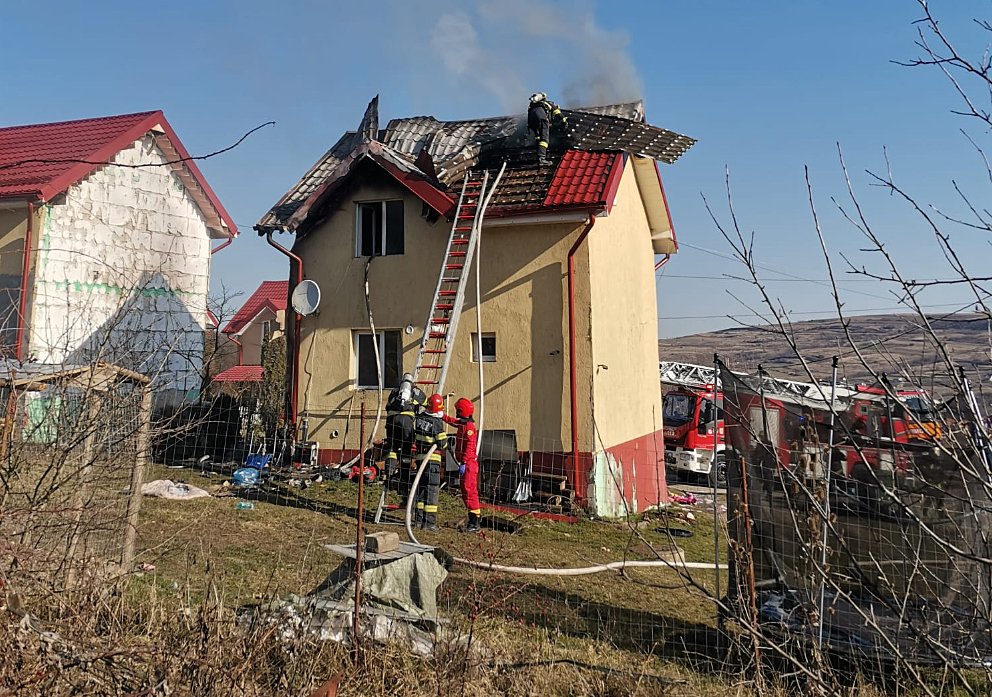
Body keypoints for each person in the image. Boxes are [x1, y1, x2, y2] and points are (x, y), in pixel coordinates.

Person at [384, 373, 426, 496]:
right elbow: (427, 404)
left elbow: (388, 406)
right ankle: (404, 478)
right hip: (406, 421)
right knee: (406, 450)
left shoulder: (394, 391)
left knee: (392, 447)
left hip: (392, 420)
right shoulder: (416, 391)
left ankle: (389, 475)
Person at [413, 393, 450, 531]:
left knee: (421, 488)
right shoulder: (437, 422)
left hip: (420, 458)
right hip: (432, 461)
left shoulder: (419, 418)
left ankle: (418, 520)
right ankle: (429, 523)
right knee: (432, 490)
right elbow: (442, 443)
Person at [444, 397, 481, 533]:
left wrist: (464, 462)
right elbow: (454, 422)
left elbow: (470, 446)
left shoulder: (469, 427)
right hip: (466, 463)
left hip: (469, 464)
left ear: (461, 411)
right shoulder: (463, 424)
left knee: (469, 491)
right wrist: (442, 416)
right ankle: (473, 519)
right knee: (466, 491)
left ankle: (475, 522)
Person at [527, 92, 567, 166]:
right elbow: (558, 113)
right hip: (541, 117)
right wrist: (564, 121)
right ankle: (542, 159)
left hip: (531, 120)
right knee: (544, 139)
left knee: (538, 138)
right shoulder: (549, 104)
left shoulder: (534, 106)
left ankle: (538, 156)